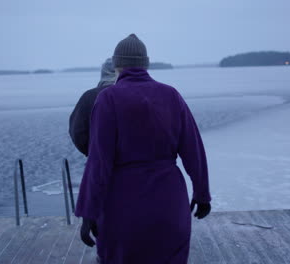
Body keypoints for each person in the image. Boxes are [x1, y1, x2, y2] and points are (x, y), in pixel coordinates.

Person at [75, 34, 211, 264]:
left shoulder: (109, 98)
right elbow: (193, 149)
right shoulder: (171, 95)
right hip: (169, 203)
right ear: (145, 63)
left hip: (123, 207)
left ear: (117, 64)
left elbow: (99, 162)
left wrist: (88, 212)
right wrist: (202, 194)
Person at [69, 58, 117, 156]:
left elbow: (77, 132)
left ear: (103, 73)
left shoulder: (90, 96)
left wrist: (92, 153)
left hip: (99, 161)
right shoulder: (135, 94)